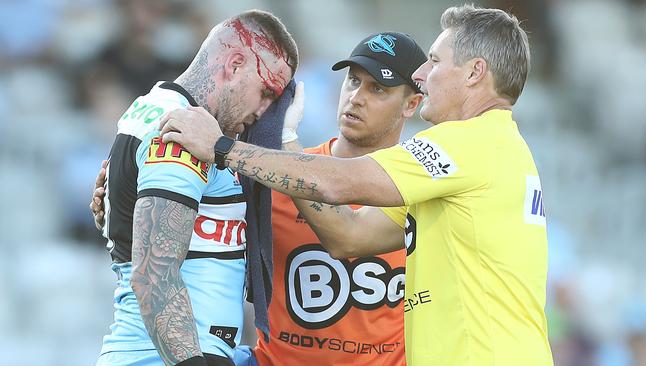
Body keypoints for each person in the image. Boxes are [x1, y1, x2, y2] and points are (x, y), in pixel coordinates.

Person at [156, 4, 553, 366]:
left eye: (434, 61)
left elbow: (339, 183)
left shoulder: (470, 143)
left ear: (474, 72)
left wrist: (222, 147)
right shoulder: (494, 150)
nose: (422, 75)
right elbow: (350, 236)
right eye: (353, 81)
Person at [93, 32, 426, 366]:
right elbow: (188, 231)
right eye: (353, 81)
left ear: (412, 103)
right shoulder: (268, 175)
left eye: (377, 89)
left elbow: (347, 234)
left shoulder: (425, 189)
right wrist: (120, 199)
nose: (357, 97)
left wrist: (268, 143)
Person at [93, 10, 298, 366]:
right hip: (167, 356)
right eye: (266, 92)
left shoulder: (155, 109)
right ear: (234, 65)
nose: (265, 111)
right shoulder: (183, 129)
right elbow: (154, 273)